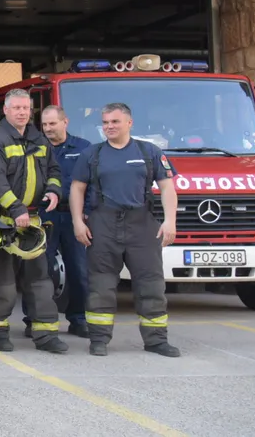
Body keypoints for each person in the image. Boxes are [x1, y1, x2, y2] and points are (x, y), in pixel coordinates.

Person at [71, 102, 180, 358]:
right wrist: (78, 221)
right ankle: (98, 340)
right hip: (103, 224)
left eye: (115, 122)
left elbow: (167, 187)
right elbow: (77, 188)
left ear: (129, 123)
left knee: (150, 284)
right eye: (105, 122)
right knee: (101, 285)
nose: (109, 127)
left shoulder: (149, 151)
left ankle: (156, 341)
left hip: (142, 224)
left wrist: (170, 221)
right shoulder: (92, 154)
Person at [0, 88, 66, 354]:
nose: (21, 112)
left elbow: (53, 170)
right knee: (2, 282)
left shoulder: (39, 140)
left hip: (34, 221)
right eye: (16, 108)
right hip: (5, 222)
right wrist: (16, 210)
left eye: (26, 108)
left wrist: (53, 191)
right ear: (5, 110)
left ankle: (46, 335)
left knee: (40, 281)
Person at [20, 105, 92, 338]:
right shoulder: (34, 147)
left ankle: (78, 319)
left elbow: (93, 183)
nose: (48, 129)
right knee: (39, 269)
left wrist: (87, 212)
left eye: (53, 123)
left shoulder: (84, 148)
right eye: (45, 125)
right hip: (43, 215)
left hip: (74, 216)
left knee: (78, 269)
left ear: (65, 122)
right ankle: (34, 319)